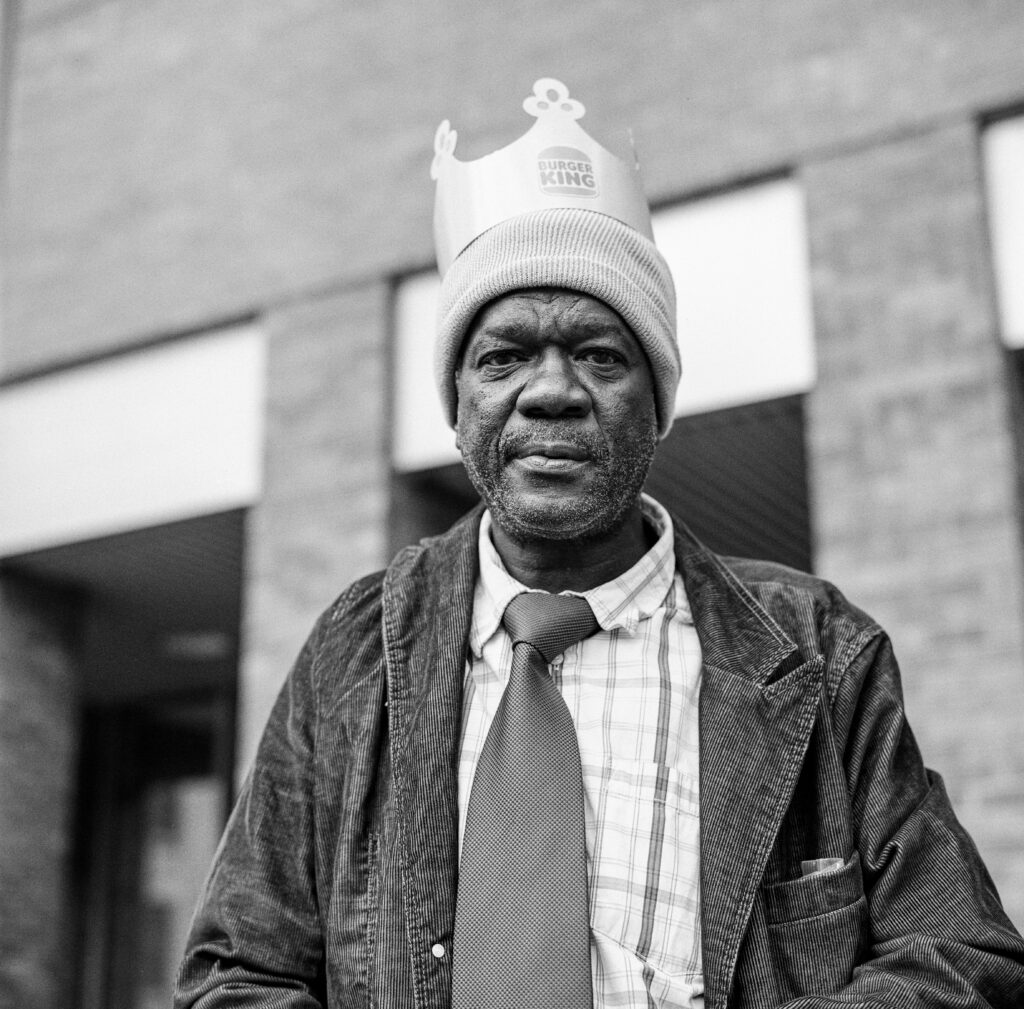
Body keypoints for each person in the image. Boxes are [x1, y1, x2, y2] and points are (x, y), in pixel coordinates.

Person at [174, 79, 1024, 1009]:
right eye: (502, 356)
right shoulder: (353, 649)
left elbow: (963, 956)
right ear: (457, 406)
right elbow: (236, 974)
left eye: (600, 353)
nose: (552, 390)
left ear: (656, 404)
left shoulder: (817, 652)